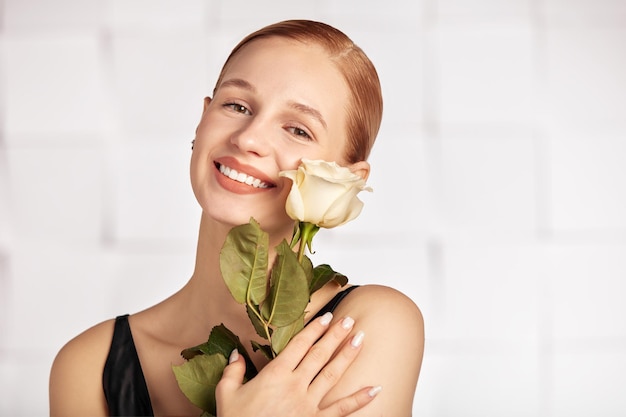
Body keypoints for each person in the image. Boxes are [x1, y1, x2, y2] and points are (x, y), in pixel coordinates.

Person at [49, 19, 424, 416]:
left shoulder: (371, 327)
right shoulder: (89, 366)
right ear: (203, 119)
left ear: (349, 180)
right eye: (237, 106)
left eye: (298, 130)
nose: (248, 138)